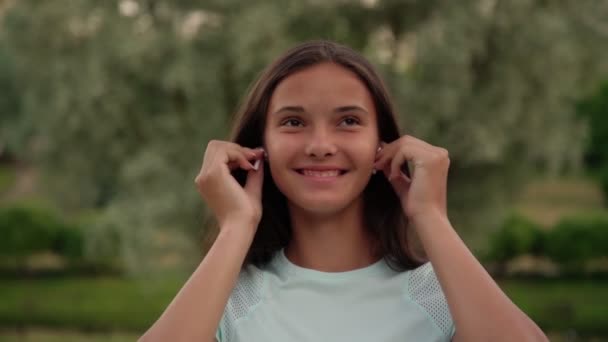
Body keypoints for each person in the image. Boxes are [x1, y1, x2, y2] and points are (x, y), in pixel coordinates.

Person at [140, 40, 548, 342]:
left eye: (348, 121)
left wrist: (430, 216)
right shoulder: (229, 300)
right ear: (258, 146)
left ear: (383, 147)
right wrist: (237, 224)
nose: (320, 145)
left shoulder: (443, 296)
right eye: (293, 122)